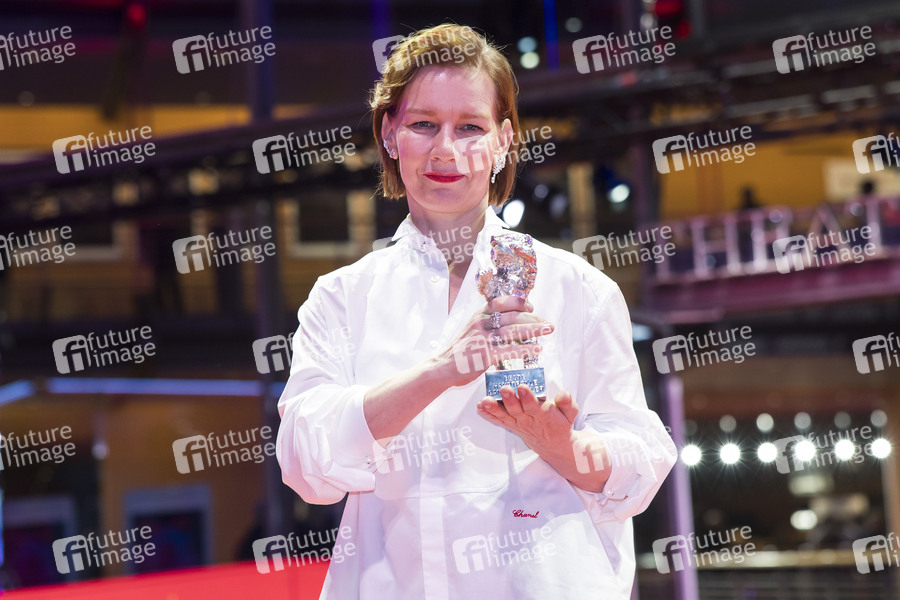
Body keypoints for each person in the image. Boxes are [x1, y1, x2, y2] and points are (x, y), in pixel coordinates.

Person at [276, 23, 675, 599]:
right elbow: (305, 464)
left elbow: (641, 467)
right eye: (423, 125)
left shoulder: (579, 289)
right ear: (390, 134)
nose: (445, 149)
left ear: (503, 140)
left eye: (469, 127)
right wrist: (441, 370)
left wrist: (560, 444)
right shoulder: (341, 298)